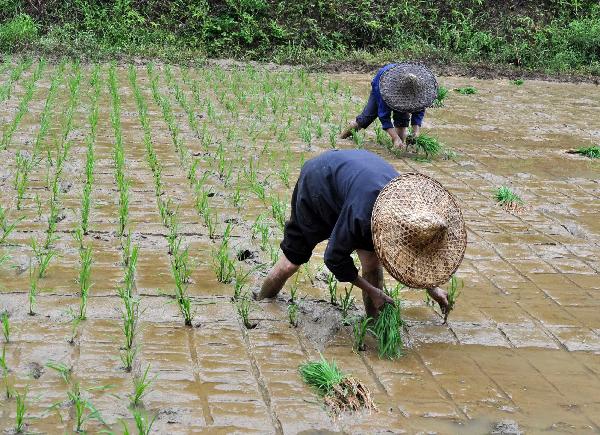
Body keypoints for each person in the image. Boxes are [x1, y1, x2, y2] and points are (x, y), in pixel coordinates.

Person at [255, 149, 467, 319]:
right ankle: (261, 304)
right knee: (291, 262)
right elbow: (333, 257)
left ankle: (374, 323)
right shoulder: (362, 216)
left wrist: (432, 287)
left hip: (355, 181)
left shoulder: (411, 207)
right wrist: (374, 291)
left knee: (372, 264)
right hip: (319, 182)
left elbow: (415, 245)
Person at [340, 62, 438, 149]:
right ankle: (340, 139)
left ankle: (398, 150)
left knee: (402, 123)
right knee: (365, 119)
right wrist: (395, 137)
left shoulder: (418, 90)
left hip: (402, 85)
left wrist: (415, 132)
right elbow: (383, 116)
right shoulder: (385, 89)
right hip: (379, 85)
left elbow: (419, 110)